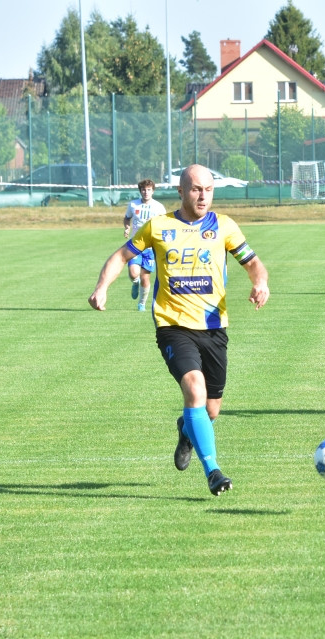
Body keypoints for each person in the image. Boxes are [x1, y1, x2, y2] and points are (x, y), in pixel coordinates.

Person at [88, 164, 270, 496]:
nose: (203, 196)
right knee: (194, 390)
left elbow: (253, 262)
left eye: (209, 189)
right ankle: (213, 471)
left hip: (214, 328)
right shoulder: (159, 227)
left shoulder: (224, 226)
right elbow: (120, 256)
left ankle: (186, 429)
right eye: (196, 189)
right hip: (173, 326)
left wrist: (260, 283)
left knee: (211, 408)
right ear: (182, 192)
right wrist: (102, 287)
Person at [123, 179, 167, 312]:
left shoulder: (159, 207)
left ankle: (142, 304)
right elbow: (127, 217)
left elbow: (165, 223)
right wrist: (127, 228)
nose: (146, 192)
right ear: (140, 191)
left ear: (152, 191)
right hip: (136, 245)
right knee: (133, 273)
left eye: (148, 190)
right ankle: (134, 283)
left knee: (145, 277)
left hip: (150, 247)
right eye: (143, 190)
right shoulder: (133, 204)